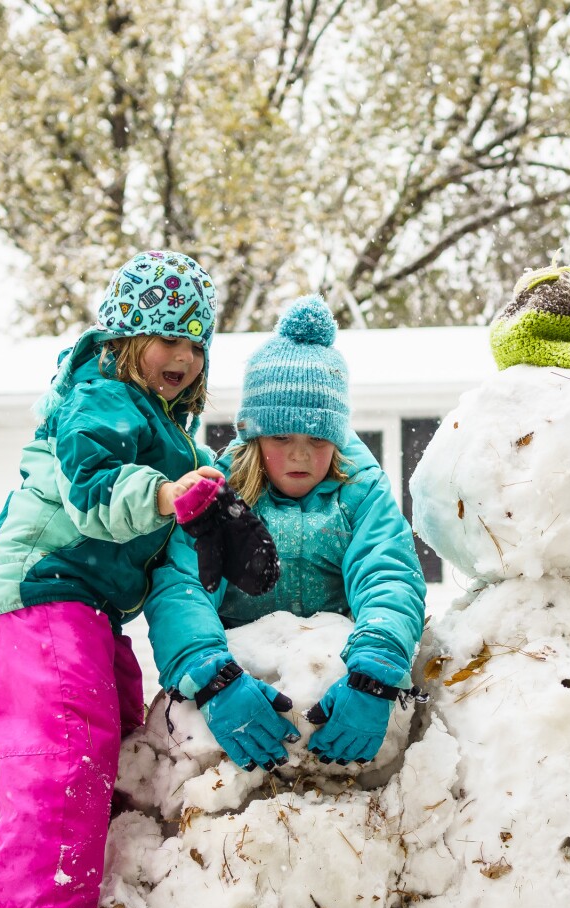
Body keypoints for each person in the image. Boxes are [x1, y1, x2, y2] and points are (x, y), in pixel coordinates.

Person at [0, 250, 275, 908]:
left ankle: (95, 885)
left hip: (87, 609)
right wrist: (170, 497)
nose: (183, 356)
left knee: (124, 734)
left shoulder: (173, 435)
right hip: (36, 594)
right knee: (65, 740)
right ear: (127, 338)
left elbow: (178, 523)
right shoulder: (97, 399)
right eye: (167, 337)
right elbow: (95, 491)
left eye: (197, 343)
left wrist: (220, 527)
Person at [146, 295, 427, 772]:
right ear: (254, 436)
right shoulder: (219, 494)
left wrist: (376, 674)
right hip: (239, 689)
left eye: (317, 440)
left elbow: (389, 575)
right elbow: (182, 587)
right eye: (281, 439)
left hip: (336, 689)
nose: (300, 456)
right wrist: (213, 680)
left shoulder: (359, 490)